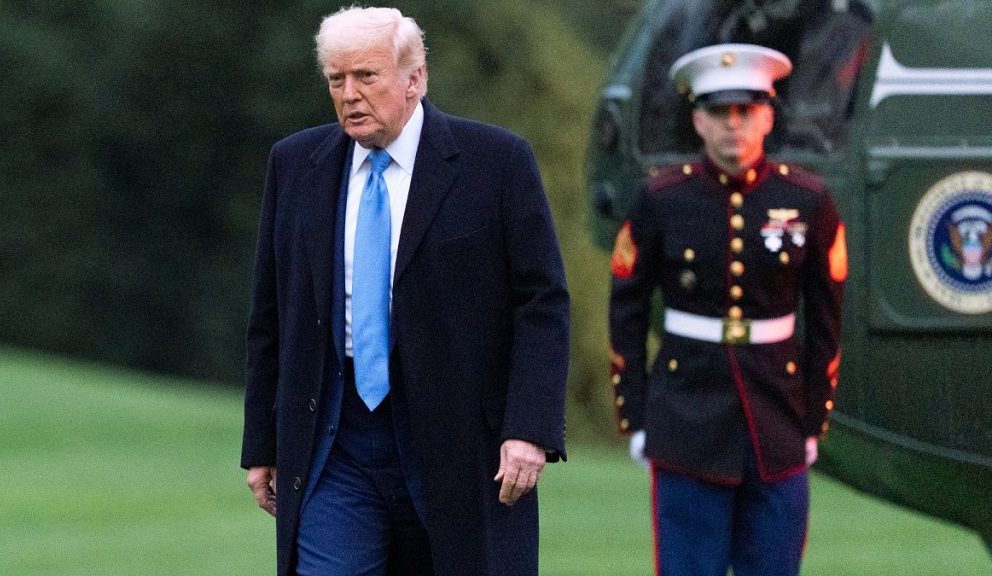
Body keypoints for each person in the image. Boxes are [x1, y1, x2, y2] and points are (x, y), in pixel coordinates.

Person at [240, 7, 569, 576]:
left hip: (461, 442)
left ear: (414, 79)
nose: (349, 95)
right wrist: (262, 443)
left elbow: (541, 304)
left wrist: (529, 430)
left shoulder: (496, 162)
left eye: (366, 77)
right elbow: (270, 313)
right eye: (336, 80)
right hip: (333, 439)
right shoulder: (295, 164)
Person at [609, 44, 847, 576]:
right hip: (685, 418)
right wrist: (637, 414)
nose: (733, 127)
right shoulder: (662, 199)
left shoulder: (807, 199)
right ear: (697, 119)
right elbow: (625, 308)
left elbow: (826, 319)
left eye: (746, 112)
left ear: (768, 115)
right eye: (719, 113)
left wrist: (814, 420)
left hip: (777, 421)